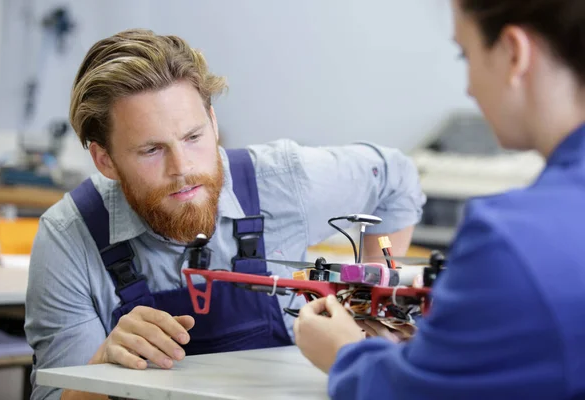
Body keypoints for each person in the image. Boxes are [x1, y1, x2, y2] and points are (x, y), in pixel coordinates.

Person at [23, 29, 425, 400]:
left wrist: (374, 299)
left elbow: (395, 176)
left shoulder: (280, 180)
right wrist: (102, 366)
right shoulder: (69, 236)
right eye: (151, 150)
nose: (182, 168)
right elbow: (55, 397)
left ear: (213, 122)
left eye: (194, 137)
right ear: (104, 159)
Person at [293, 0, 585, 398]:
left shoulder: (512, 240)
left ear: (514, 53)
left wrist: (346, 353)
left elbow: (412, 392)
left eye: (466, 54)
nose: (468, 86)